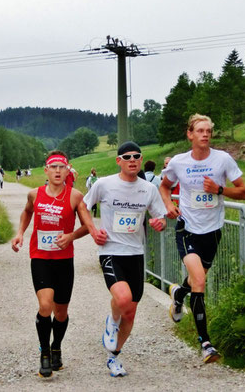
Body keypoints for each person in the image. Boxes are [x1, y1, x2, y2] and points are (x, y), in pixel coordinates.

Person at [159, 114, 245, 364]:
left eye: (208, 130)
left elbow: (243, 191)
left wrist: (219, 190)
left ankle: (178, 295)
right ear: (190, 134)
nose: (205, 134)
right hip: (187, 227)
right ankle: (206, 343)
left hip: (213, 230)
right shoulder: (179, 162)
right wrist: (168, 205)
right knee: (199, 280)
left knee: (197, 279)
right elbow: (165, 186)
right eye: (200, 130)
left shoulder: (223, 160)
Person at [82, 141, 167, 377]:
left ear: (141, 160)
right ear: (118, 161)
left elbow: (160, 217)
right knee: (123, 297)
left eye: (136, 156)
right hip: (111, 251)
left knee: (131, 310)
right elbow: (83, 206)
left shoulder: (148, 189)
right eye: (127, 156)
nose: (132, 160)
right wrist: (92, 231)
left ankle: (114, 356)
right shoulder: (104, 184)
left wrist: (159, 223)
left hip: (135, 254)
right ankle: (112, 319)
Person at [11, 151, 91, 378]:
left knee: (61, 311)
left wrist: (71, 237)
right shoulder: (34, 194)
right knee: (45, 306)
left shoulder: (75, 196)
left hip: (64, 260)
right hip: (41, 257)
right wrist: (20, 234)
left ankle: (57, 346)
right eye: (53, 167)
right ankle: (44, 352)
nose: (57, 171)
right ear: (45, 171)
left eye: (61, 167)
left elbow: (88, 226)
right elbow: (27, 213)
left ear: (68, 171)